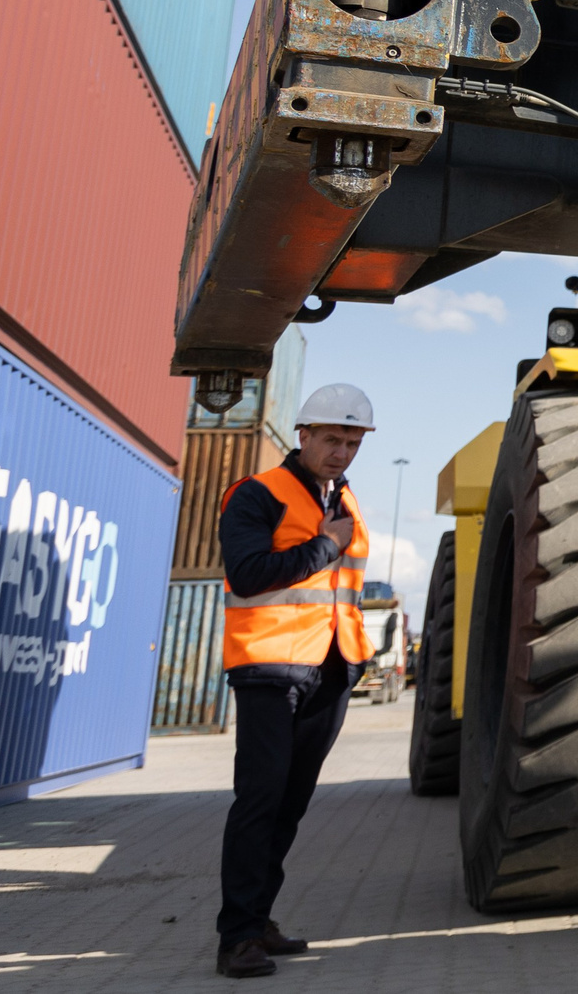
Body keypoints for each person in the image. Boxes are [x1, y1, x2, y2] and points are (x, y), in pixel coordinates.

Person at [213, 383, 376, 978]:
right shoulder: (257, 495)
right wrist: (323, 547)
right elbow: (250, 573)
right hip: (269, 667)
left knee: (290, 803)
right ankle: (236, 939)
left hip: (330, 668)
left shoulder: (346, 501)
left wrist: (356, 661)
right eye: (332, 439)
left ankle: (258, 919)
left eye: (352, 442)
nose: (341, 452)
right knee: (259, 799)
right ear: (303, 435)